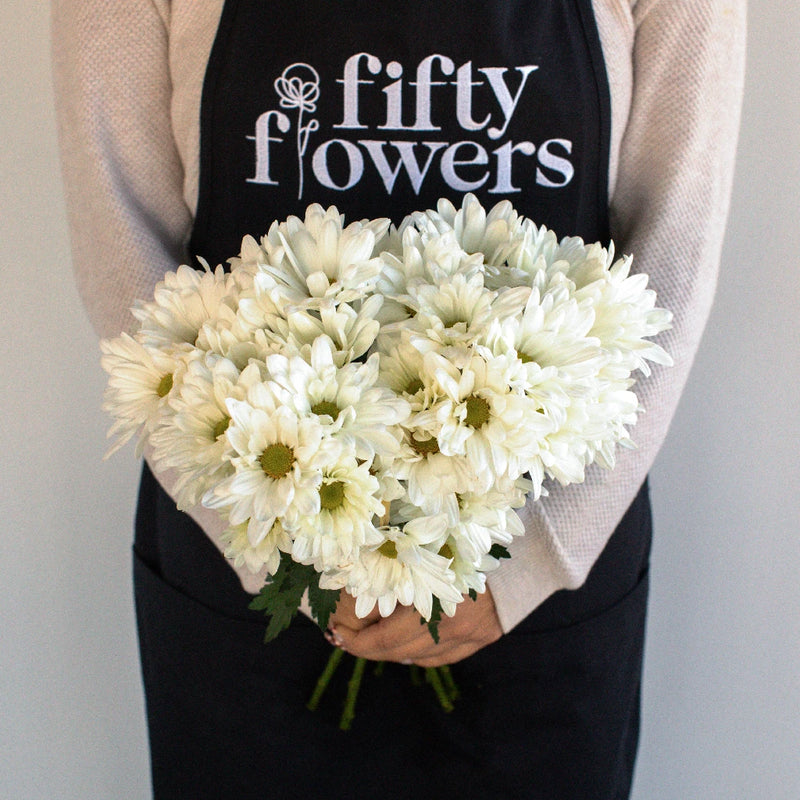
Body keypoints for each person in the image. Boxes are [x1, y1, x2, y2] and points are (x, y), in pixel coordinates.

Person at [52, 1, 746, 797]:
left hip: (544, 568)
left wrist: (533, 561)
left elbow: (675, 254)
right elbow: (120, 241)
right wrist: (277, 547)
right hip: (243, 544)